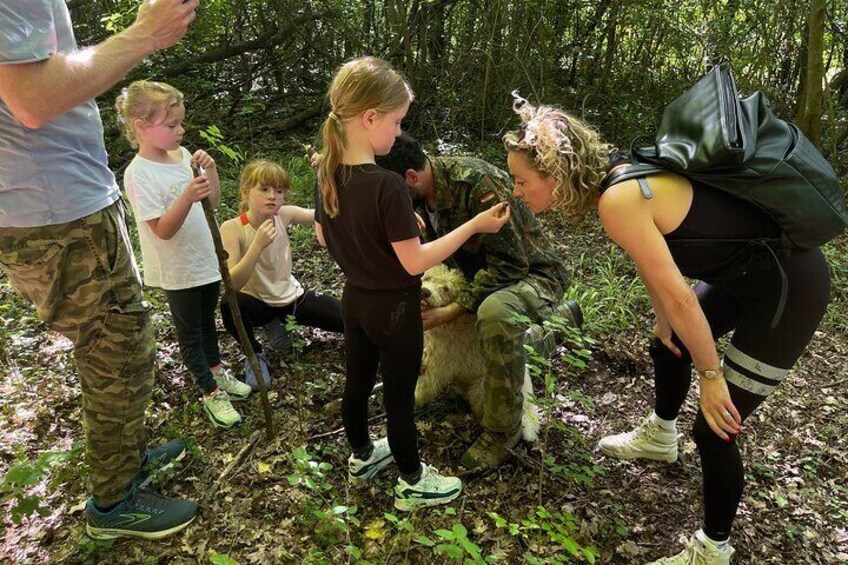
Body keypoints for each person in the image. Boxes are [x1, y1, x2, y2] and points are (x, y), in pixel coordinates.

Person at [502, 95, 830, 564]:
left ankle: (713, 549)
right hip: (747, 273)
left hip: (788, 289)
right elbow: (659, 268)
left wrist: (712, 378)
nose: (517, 192)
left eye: (521, 181)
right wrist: (665, 322)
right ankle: (660, 437)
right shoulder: (619, 176)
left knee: (715, 427)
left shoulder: (619, 198)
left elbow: (680, 296)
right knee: (669, 342)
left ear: (556, 175)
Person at [0, 0, 201, 539]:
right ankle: (114, 505)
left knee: (122, 339)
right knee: (116, 346)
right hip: (53, 214)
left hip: (67, 205)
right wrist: (144, 34)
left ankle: (128, 463)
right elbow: (32, 100)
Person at [314, 56, 511, 511]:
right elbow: (414, 262)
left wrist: (388, 235)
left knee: (357, 383)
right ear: (370, 118)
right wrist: (475, 225)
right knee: (400, 397)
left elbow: (326, 236)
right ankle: (412, 480)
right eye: (397, 121)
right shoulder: (386, 185)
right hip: (395, 309)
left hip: (355, 301)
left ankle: (361, 456)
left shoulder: (327, 172)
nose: (399, 133)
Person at [376, 133, 581, 473]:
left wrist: (452, 311)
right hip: (476, 281)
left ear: (410, 178)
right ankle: (549, 332)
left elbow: (510, 266)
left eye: (391, 191)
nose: (388, 200)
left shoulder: (475, 184)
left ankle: (503, 430)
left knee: (495, 314)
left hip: (531, 275)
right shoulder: (415, 200)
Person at [117, 80, 252, 429]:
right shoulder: (138, 174)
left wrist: (211, 173)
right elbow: (162, 229)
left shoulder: (184, 156)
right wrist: (186, 197)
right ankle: (209, 392)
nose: (181, 130)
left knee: (209, 322)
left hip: (204, 260)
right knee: (190, 332)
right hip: (178, 270)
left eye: (181, 122)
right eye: (172, 125)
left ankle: (217, 371)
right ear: (141, 127)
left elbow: (213, 203)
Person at [219, 159, 344, 391]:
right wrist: (256, 246)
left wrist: (325, 177)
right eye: (264, 189)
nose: (273, 196)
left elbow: (325, 214)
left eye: (279, 191)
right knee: (229, 304)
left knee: (348, 319)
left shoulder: (283, 215)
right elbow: (233, 283)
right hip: (256, 302)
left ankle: (277, 323)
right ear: (246, 192)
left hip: (290, 297)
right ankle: (254, 354)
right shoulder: (232, 228)